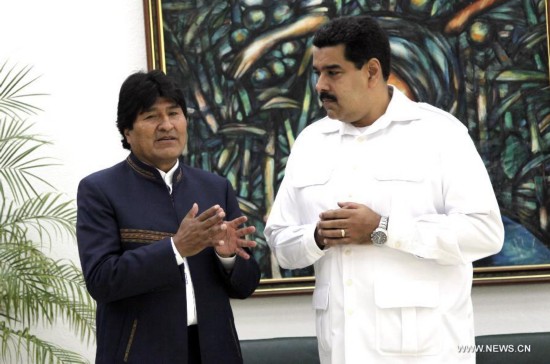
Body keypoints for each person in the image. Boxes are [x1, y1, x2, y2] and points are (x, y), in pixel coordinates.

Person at [264, 15, 504, 363]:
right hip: (341, 353)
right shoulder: (310, 142)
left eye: (333, 72)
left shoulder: (439, 134)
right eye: (318, 73)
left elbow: (485, 232)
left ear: (372, 71)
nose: (320, 85)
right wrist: (317, 237)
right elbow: (280, 243)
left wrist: (383, 229)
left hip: (427, 354)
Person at [76, 70, 261, 363]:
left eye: (174, 113)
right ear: (127, 131)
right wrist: (175, 248)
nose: (166, 125)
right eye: (151, 117)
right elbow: (101, 280)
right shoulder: (100, 190)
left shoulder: (215, 187)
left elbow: (246, 285)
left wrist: (228, 258)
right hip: (140, 353)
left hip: (214, 351)